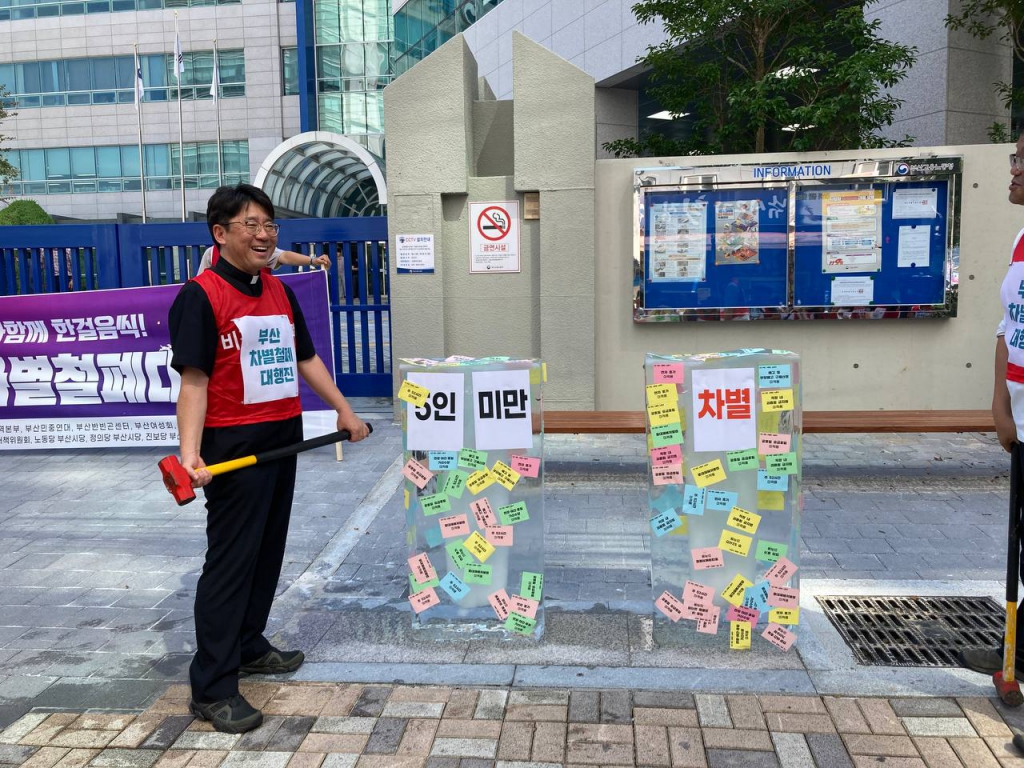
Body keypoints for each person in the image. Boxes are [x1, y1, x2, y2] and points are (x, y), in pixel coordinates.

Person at [168, 184, 369, 733]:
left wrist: (344, 413)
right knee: (231, 564)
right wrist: (190, 453)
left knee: (266, 551)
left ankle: (249, 643)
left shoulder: (278, 291)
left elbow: (305, 358)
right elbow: (194, 381)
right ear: (221, 233)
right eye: (251, 225)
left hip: (283, 438)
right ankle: (211, 687)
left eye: (270, 226)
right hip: (234, 449)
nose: (264, 235)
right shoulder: (201, 295)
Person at [958, 136, 1024, 675]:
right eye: (1015, 157)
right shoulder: (1023, 240)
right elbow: (1010, 328)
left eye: (1023, 160)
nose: (1014, 169)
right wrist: (1000, 403)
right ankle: (1018, 653)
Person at [197, 244, 330, 274]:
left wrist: (313, 261)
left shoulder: (257, 248)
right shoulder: (211, 253)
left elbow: (284, 256)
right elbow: (201, 286)